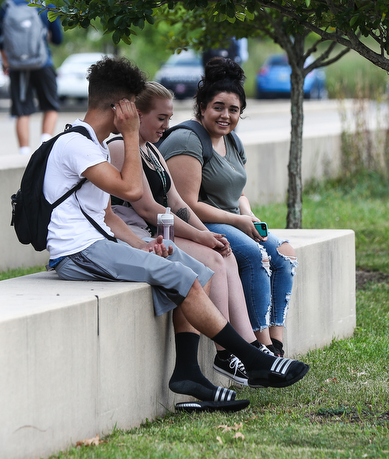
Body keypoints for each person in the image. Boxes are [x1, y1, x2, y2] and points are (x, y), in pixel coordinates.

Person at [45, 56, 309, 410]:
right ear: (120, 106)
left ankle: (187, 372)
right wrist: (130, 133)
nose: (138, 117)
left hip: (99, 242)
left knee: (198, 272)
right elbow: (133, 192)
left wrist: (143, 245)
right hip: (78, 253)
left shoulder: (93, 145)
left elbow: (105, 214)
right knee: (180, 276)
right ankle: (254, 359)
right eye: (132, 108)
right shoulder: (78, 145)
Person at [107, 81, 273, 387]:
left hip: (158, 230)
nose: (167, 125)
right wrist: (200, 237)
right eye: (161, 118)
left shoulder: (153, 150)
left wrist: (205, 233)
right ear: (137, 115)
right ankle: (226, 354)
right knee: (211, 258)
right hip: (135, 235)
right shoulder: (120, 147)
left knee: (223, 254)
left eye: (170, 118)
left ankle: (250, 346)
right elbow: (147, 209)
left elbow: (177, 202)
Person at [160, 57, 298, 358]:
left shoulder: (232, 141)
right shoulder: (188, 139)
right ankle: (258, 346)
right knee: (254, 254)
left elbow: (238, 191)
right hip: (199, 223)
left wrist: (247, 214)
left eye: (233, 110)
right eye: (218, 107)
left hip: (231, 219)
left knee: (284, 253)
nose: (226, 115)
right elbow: (186, 204)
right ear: (203, 107)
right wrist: (237, 222)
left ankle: (277, 344)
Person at [0, 0, 63, 156]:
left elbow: (1, 40)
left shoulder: (7, 7)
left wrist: (7, 61)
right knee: (51, 107)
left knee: (22, 111)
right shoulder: (46, 6)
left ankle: (24, 152)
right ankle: (44, 148)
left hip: (17, 65)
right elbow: (58, 39)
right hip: (42, 62)